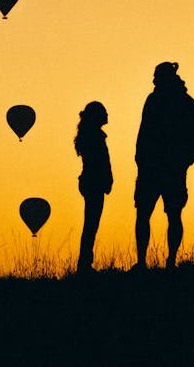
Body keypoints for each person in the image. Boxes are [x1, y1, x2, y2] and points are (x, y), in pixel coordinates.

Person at [134, 62, 194, 269]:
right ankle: (157, 261)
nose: (153, 80)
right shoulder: (184, 103)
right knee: (163, 214)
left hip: (161, 169)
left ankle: (158, 261)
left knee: (158, 214)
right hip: (159, 168)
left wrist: (183, 162)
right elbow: (144, 132)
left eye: (156, 76)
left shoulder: (160, 101)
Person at [74, 101, 113, 273]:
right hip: (93, 183)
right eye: (104, 112)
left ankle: (85, 263)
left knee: (90, 224)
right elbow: (99, 162)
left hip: (91, 182)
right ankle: (84, 264)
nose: (107, 115)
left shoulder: (91, 135)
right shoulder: (94, 137)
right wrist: (105, 180)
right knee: (91, 224)